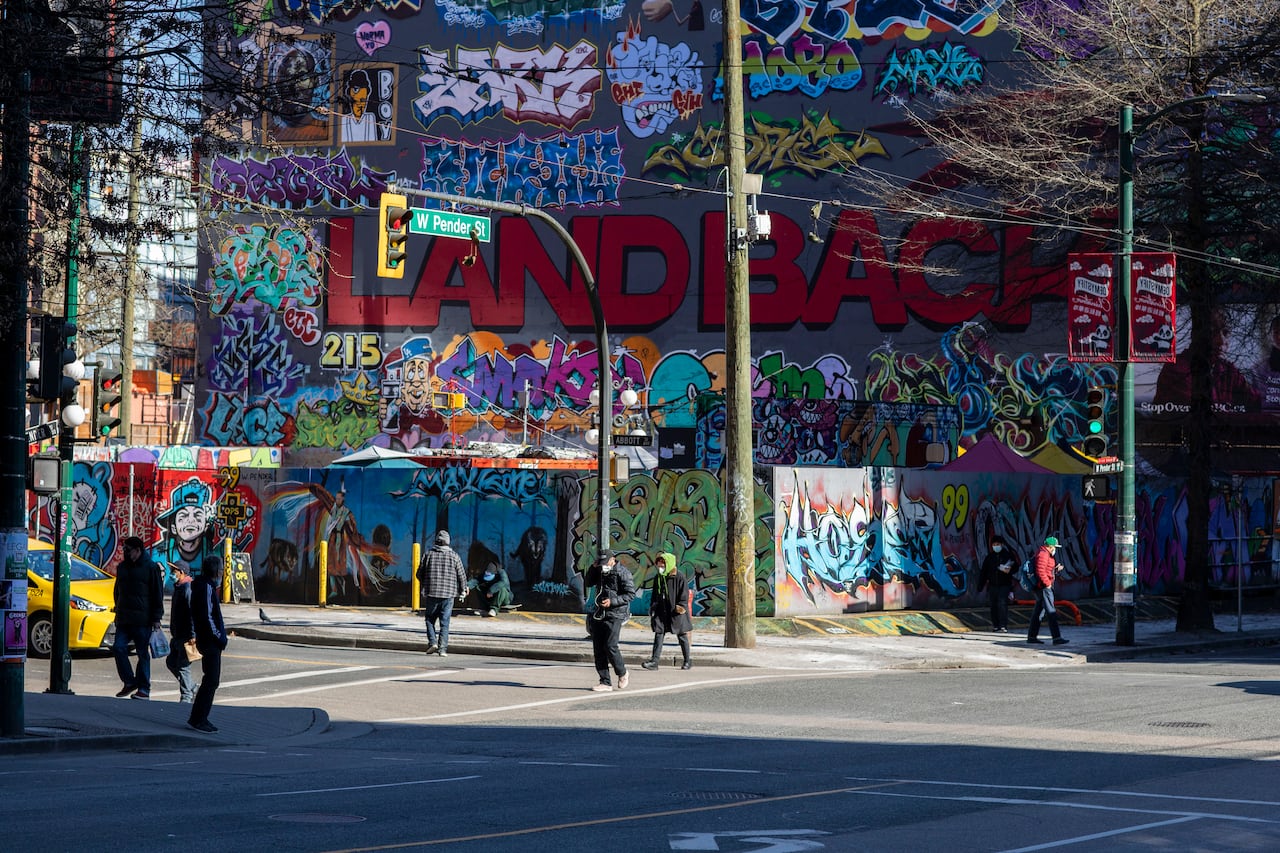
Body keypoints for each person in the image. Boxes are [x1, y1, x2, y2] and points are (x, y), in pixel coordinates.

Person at [111, 536, 164, 699]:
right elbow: (117, 591)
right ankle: (129, 681)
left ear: (137, 550)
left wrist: (156, 618)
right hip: (124, 618)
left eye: (128, 550)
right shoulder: (122, 567)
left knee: (142, 653)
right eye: (124, 550)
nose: (125, 553)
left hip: (143, 619)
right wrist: (117, 611)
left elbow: (157, 594)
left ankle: (143, 688)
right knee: (118, 647)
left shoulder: (151, 567)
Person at [584, 550, 636, 691]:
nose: (604, 566)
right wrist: (593, 568)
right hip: (600, 612)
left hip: (616, 614)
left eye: (605, 563)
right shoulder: (600, 570)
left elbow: (630, 594)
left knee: (610, 645)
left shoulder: (622, 572)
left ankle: (622, 672)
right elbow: (588, 582)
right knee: (598, 648)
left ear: (612, 559)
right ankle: (605, 682)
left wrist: (612, 601)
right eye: (601, 563)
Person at [188, 556, 228, 733]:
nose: (222, 572)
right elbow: (207, 615)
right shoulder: (206, 587)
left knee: (210, 680)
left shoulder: (205, 586)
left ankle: (199, 717)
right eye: (220, 569)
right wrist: (218, 636)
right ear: (214, 570)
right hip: (210, 640)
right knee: (211, 681)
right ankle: (199, 719)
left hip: (208, 639)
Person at [417, 530, 467, 656]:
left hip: (432, 593)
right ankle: (442, 649)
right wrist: (462, 590)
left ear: (436, 541)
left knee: (429, 619)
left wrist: (426, 584)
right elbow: (461, 576)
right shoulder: (455, 556)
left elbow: (419, 573)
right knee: (445, 622)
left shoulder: (428, 555)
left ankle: (432, 642)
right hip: (449, 595)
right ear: (448, 542)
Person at [640, 551, 693, 670]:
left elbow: (684, 594)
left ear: (668, 564)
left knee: (682, 636)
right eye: (658, 565)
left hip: (675, 612)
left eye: (662, 565)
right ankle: (654, 662)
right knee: (659, 635)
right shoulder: (658, 578)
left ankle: (687, 660)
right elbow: (655, 594)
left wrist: (680, 607)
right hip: (661, 611)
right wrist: (653, 607)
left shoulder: (679, 577)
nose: (660, 568)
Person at [165, 562, 197, 703]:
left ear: (182, 572)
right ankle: (192, 687)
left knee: (183, 667)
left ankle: (186, 696)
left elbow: (192, 614)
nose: (171, 573)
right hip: (177, 634)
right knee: (172, 662)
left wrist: (193, 635)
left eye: (174, 570)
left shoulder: (187, 588)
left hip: (185, 635)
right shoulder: (179, 587)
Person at [1027, 536, 1069, 646]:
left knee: (1038, 612)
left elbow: (1045, 569)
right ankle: (1056, 637)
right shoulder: (1043, 554)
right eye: (1054, 547)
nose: (1055, 549)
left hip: (1042, 587)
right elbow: (1040, 571)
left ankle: (1032, 636)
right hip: (1044, 587)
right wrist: (1048, 584)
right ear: (1050, 546)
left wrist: (1055, 570)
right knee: (1051, 612)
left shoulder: (1044, 553)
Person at [976, 535, 1017, 633]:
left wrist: (1009, 570)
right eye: (994, 545)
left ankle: (1003, 625)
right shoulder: (989, 557)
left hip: (1004, 584)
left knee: (1002, 604)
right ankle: (996, 625)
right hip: (992, 585)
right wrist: (980, 585)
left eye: (997, 544)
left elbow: (1015, 567)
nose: (996, 546)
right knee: (993, 605)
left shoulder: (1007, 555)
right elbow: (984, 572)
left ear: (1002, 545)